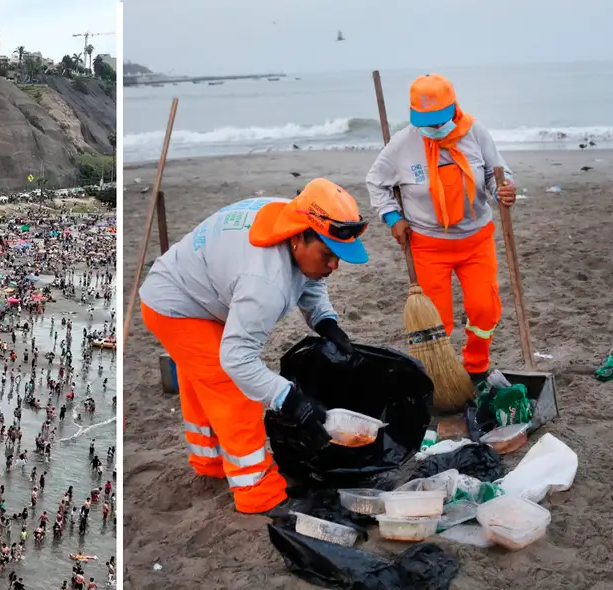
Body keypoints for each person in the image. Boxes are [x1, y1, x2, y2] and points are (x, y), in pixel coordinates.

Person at [138, 178, 369, 515]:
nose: (335, 266)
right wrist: (290, 399)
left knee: (203, 378)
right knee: (233, 389)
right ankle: (257, 491)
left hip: (201, 291)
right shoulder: (265, 283)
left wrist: (324, 320)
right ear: (299, 236)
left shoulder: (290, 218)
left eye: (339, 257)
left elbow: (310, 276)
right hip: (176, 306)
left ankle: (210, 461)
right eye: (329, 255)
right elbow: (238, 360)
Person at [366, 73, 516, 386]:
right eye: (427, 122)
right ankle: (439, 376)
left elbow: (495, 173)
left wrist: (503, 189)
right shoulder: (402, 145)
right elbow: (376, 183)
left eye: (439, 121)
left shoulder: (474, 132)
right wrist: (393, 218)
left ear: (454, 110)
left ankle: (476, 368)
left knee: (484, 308)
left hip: (476, 240)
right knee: (437, 320)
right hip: (427, 244)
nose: (434, 129)